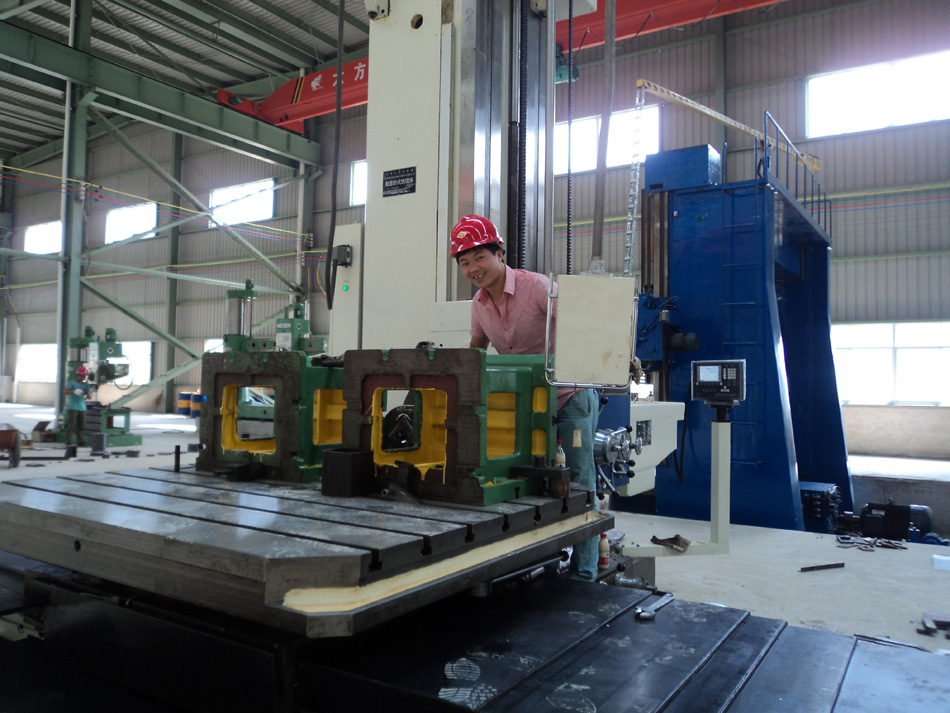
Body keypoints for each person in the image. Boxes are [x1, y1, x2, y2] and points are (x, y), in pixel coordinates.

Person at [451, 214, 600, 581]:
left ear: (499, 254)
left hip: (569, 396)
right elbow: (476, 352)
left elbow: (582, 324)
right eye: (465, 262)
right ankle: (544, 563)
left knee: (578, 483)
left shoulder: (537, 288)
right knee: (534, 483)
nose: (473, 268)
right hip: (529, 406)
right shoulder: (478, 305)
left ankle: (585, 573)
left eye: (479, 257)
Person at [63, 365, 92, 447]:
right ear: (78, 375)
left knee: (81, 426)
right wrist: (74, 391)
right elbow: (65, 391)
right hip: (73, 407)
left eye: (84, 376)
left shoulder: (85, 385)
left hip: (82, 407)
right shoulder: (72, 383)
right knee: (71, 425)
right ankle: (68, 441)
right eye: (82, 376)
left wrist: (88, 394)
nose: (83, 378)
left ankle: (80, 441)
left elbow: (88, 395)